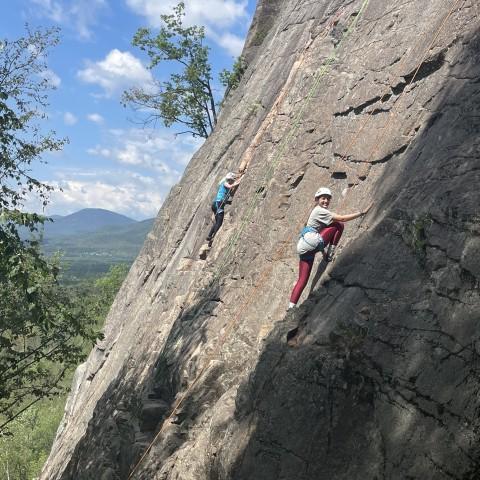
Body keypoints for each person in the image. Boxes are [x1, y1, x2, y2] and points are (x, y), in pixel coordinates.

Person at [288, 187, 372, 309]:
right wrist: (361, 213)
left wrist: (322, 252)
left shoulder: (316, 212)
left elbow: (317, 237)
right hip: (311, 241)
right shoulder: (320, 211)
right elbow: (342, 218)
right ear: (317, 199)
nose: (326, 201)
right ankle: (331, 252)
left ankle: (291, 307)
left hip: (304, 246)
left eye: (328, 199)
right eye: (323, 198)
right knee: (338, 224)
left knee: (302, 280)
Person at [206, 171, 243, 247]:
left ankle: (209, 236)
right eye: (232, 180)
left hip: (218, 203)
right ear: (229, 179)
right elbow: (230, 186)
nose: (232, 181)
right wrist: (239, 181)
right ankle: (214, 236)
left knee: (217, 222)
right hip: (218, 203)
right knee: (219, 222)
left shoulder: (227, 186)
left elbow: (225, 197)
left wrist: (229, 202)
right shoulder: (225, 183)